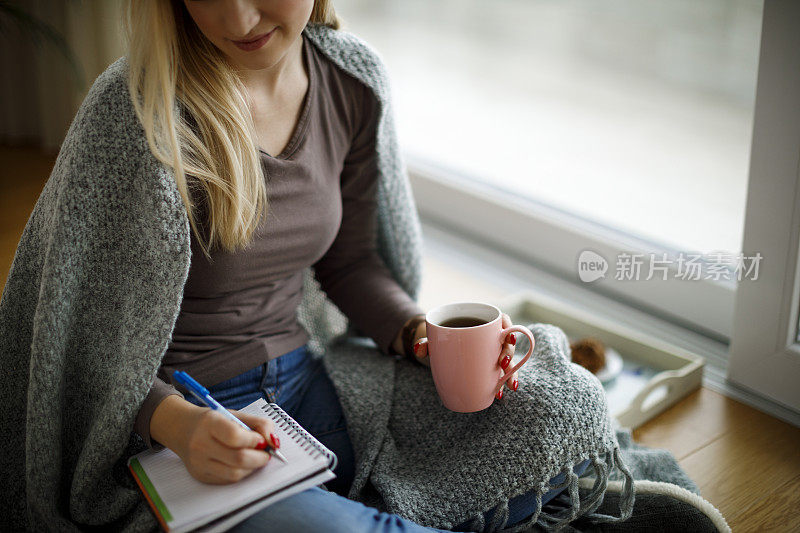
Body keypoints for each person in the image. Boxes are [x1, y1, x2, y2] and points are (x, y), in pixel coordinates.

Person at [0, 0, 618, 531]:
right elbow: (80, 343)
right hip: (180, 419)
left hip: (311, 381)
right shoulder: (137, 111)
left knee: (562, 402)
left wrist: (415, 333)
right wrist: (180, 427)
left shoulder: (349, 79)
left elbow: (351, 263)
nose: (238, 17)